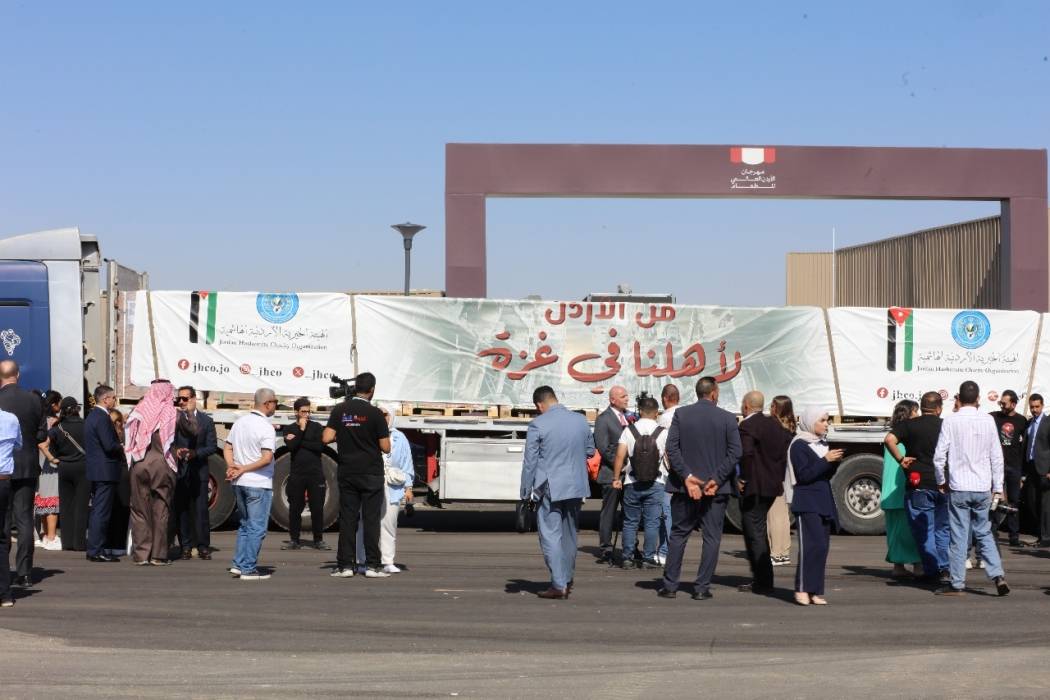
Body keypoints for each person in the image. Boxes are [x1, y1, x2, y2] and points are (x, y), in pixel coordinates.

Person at [659, 376, 741, 601]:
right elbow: (735, 452)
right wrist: (716, 478)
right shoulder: (727, 418)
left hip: (685, 488)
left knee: (679, 534)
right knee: (712, 538)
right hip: (716, 490)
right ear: (714, 393)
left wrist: (687, 476)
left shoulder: (681, 415)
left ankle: (670, 586)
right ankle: (702, 588)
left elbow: (671, 449)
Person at [932, 380, 1009, 597]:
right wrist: (997, 486)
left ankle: (957, 583)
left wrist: (941, 481)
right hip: (982, 486)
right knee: (984, 532)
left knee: (958, 535)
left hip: (959, 486)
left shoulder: (950, 421)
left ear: (958, 398)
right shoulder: (988, 420)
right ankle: (998, 576)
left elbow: (939, 457)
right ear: (978, 399)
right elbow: (997, 457)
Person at [520, 386, 594, 599]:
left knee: (550, 535)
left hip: (550, 486)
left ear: (539, 405)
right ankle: (567, 579)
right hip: (576, 486)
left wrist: (525, 492)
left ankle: (558, 584)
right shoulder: (580, 420)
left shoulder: (537, 424)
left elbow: (530, 462)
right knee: (570, 534)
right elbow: (590, 451)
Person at [324, 373, 391, 579]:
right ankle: (372, 566)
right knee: (371, 520)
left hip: (348, 471)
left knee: (348, 519)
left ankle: (345, 565)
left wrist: (345, 433)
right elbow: (386, 447)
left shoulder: (340, 410)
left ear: (355, 388)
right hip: (371, 472)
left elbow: (326, 437)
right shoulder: (376, 414)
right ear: (372, 390)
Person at [885, 392, 949, 583]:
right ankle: (944, 568)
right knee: (942, 529)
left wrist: (901, 459)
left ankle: (931, 570)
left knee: (924, 531)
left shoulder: (909, 425)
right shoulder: (947, 425)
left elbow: (889, 439)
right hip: (943, 483)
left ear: (921, 407)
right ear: (939, 408)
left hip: (918, 483)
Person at [786, 407, 843, 606]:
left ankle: (815, 590)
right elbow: (804, 475)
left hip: (823, 500)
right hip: (807, 501)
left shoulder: (822, 443)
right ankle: (802, 588)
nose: (827, 424)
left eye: (827, 420)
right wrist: (825, 460)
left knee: (821, 547)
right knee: (810, 546)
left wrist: (833, 462)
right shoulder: (799, 445)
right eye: (823, 420)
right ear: (811, 422)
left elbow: (823, 474)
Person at [737, 390, 792, 594]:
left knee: (754, 532)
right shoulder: (774, 424)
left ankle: (763, 580)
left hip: (755, 486)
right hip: (772, 485)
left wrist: (743, 478)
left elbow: (746, 453)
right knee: (758, 529)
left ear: (746, 406)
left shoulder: (747, 426)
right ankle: (764, 578)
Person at [125, 380, 184, 566]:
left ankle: (142, 555)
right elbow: (193, 430)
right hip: (162, 467)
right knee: (161, 510)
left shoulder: (138, 411)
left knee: (139, 510)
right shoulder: (173, 413)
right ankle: (158, 555)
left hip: (139, 465)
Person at [0, 360, 47, 586]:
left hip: (3, 467)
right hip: (27, 465)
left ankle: (3, 572)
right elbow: (41, 435)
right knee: (25, 518)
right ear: (17, 375)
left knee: (3, 520)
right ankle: (24, 572)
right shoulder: (33, 399)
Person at [224, 388, 278, 580]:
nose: (276, 406)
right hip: (258, 482)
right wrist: (243, 468)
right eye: (275, 402)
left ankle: (239, 564)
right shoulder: (266, 427)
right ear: (267, 403)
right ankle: (248, 568)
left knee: (245, 525)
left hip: (240, 483)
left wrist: (232, 466)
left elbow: (227, 447)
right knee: (256, 528)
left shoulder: (240, 422)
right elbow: (266, 458)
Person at [358, 403, 415, 573]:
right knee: (364, 523)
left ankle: (387, 561)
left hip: (391, 485)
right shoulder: (368, 433)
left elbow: (406, 462)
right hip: (369, 483)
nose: (383, 418)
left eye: (385, 415)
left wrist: (408, 487)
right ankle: (362, 560)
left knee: (388, 523)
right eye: (379, 414)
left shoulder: (400, 437)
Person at [612, 393, 667, 570]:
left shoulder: (629, 430)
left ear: (640, 411)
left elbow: (619, 456)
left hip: (632, 481)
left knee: (630, 522)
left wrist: (616, 479)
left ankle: (627, 558)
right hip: (656, 482)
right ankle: (648, 558)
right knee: (652, 522)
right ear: (656, 412)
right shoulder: (663, 432)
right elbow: (669, 459)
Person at [171, 386, 218, 559]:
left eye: (184, 398)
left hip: (199, 471)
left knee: (201, 511)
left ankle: (203, 545)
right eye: (179, 399)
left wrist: (195, 453)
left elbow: (212, 446)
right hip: (180, 471)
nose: (181, 402)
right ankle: (185, 546)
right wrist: (176, 451)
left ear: (193, 399)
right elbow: (168, 442)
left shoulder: (206, 421)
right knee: (182, 510)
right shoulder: (174, 419)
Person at [40, 398, 91, 551]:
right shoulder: (86, 425)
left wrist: (53, 459)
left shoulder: (58, 427)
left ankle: (67, 542)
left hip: (64, 467)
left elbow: (44, 446)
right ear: (77, 409)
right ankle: (79, 543)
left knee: (66, 505)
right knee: (81, 505)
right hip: (83, 467)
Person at [879, 400, 923, 578]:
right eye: (916, 412)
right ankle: (918, 565)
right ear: (909, 413)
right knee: (912, 530)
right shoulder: (908, 437)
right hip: (902, 490)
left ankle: (898, 566)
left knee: (895, 532)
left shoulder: (891, 435)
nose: (918, 416)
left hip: (888, 493)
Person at [281, 397, 329, 551]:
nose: (306, 415)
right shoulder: (289, 429)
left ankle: (318, 540)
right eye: (303, 412)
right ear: (296, 412)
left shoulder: (316, 427)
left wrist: (300, 440)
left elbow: (319, 447)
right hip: (297, 474)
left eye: (308, 412)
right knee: (295, 508)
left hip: (315, 474)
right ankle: (294, 540)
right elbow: (291, 447)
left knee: (317, 508)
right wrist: (301, 431)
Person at [84, 384, 124, 562]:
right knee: (101, 511)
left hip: (97, 469)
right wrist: (122, 446)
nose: (115, 400)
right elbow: (109, 445)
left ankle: (95, 548)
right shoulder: (101, 417)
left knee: (97, 510)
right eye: (113, 397)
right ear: (105, 399)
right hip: (105, 470)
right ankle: (96, 550)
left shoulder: (92, 416)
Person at [593, 385, 629, 564]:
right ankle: (606, 548)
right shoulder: (603, 419)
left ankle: (630, 547)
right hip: (610, 474)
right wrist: (621, 465)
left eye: (627, 395)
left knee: (630, 513)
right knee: (609, 513)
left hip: (629, 475)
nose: (627, 399)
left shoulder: (629, 417)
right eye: (623, 396)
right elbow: (604, 447)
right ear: (612, 400)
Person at [990, 390, 1027, 547]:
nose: (1002, 406)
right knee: (995, 499)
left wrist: (1023, 473)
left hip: (1014, 466)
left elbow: (1026, 445)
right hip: (996, 466)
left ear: (1013, 404)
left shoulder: (1021, 421)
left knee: (1014, 501)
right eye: (1000, 403)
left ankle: (1014, 537)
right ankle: (991, 533)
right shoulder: (993, 417)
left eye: (1004, 403)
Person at [767, 396, 796, 567]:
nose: (770, 408)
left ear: (777, 409)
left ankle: (777, 553)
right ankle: (784, 552)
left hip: (775, 475)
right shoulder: (791, 428)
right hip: (785, 475)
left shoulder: (776, 428)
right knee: (783, 516)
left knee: (774, 516)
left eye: (772, 406)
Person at [654, 384, 680, 565]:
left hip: (667, 473)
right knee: (672, 512)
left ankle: (666, 551)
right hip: (682, 471)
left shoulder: (664, 418)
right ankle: (665, 550)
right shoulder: (685, 414)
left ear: (664, 399)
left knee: (666, 512)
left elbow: (663, 447)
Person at [34, 390, 62, 550]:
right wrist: (53, 458)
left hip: (38, 464)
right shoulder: (55, 422)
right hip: (50, 465)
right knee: (52, 500)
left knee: (43, 500)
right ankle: (51, 537)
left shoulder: (38, 420)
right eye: (59, 403)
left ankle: (45, 535)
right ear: (53, 404)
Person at [0, 405, 21, 606]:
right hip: (3, 480)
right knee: (1, 538)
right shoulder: (11, 419)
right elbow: (19, 445)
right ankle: (5, 594)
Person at [1027, 394, 1050, 547]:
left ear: (1042, 406)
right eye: (1032, 407)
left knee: (1045, 505)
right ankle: (1040, 534)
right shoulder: (1029, 423)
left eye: (1037, 407)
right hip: (1031, 467)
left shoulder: (1048, 422)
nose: (1034, 409)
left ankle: (1046, 538)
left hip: (1045, 469)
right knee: (1032, 502)